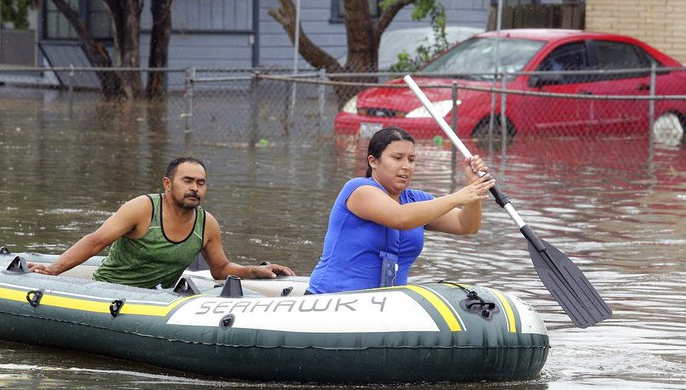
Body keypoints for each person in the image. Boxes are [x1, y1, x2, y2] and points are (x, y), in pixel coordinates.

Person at [28, 156, 294, 288]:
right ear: (168, 184)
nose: (195, 189)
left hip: (158, 300)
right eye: (187, 181)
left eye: (200, 183)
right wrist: (53, 270)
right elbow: (95, 242)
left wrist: (253, 271)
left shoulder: (207, 223)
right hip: (109, 292)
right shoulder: (142, 208)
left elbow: (220, 268)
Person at [307, 127, 494, 294]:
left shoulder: (418, 200)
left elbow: (466, 225)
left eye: (411, 160)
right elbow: (401, 218)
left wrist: (473, 188)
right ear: (373, 161)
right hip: (330, 299)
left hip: (389, 306)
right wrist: (457, 197)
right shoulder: (358, 190)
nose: (406, 166)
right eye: (397, 158)